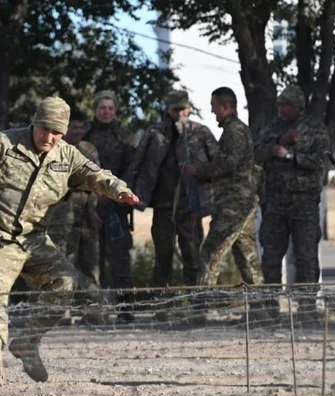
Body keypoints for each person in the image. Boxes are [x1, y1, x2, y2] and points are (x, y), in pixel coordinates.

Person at [0, 96, 139, 387]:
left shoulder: (67, 155)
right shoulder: (2, 143)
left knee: (65, 281)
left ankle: (27, 342)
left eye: (57, 133)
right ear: (34, 123)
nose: (48, 137)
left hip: (34, 238)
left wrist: (119, 190)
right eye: (44, 129)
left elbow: (95, 175)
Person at [130, 90, 217, 288]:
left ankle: (197, 309)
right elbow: (138, 164)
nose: (180, 114)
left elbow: (218, 165)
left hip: (191, 208)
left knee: (193, 257)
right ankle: (162, 309)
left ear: (189, 109)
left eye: (183, 109)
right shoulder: (155, 134)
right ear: (168, 110)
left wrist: (199, 172)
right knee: (162, 258)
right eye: (175, 109)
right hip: (163, 207)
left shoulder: (200, 132)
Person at [254, 85, 328, 317]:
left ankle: (307, 308)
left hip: (304, 203)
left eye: (286, 105)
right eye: (280, 105)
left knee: (306, 256)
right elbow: (256, 154)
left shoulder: (315, 129)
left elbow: (321, 162)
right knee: (271, 255)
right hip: (275, 203)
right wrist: (278, 141)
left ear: (298, 106)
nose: (281, 109)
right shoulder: (272, 129)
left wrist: (290, 156)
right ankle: (270, 308)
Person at [183, 87, 263, 288]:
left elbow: (228, 164)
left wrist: (198, 170)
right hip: (241, 204)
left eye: (214, 106)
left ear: (225, 107)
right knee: (248, 258)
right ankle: (263, 310)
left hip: (234, 204)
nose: (212, 111)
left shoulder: (234, 131)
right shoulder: (234, 130)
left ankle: (200, 310)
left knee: (210, 254)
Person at [81, 91, 138, 318]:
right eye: (102, 108)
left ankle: (125, 310)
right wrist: (94, 200)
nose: (106, 112)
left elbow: (132, 168)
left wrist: (116, 194)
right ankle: (95, 310)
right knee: (92, 262)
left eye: (110, 108)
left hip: (117, 207)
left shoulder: (125, 136)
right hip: (89, 205)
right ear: (95, 110)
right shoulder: (85, 134)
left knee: (120, 259)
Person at [45, 110, 101, 285]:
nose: (79, 131)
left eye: (81, 128)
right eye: (74, 128)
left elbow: (96, 181)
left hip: (85, 218)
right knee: (61, 265)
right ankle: (61, 310)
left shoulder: (88, 150)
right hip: (59, 219)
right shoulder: (53, 150)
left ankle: (91, 309)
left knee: (90, 266)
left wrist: (92, 209)